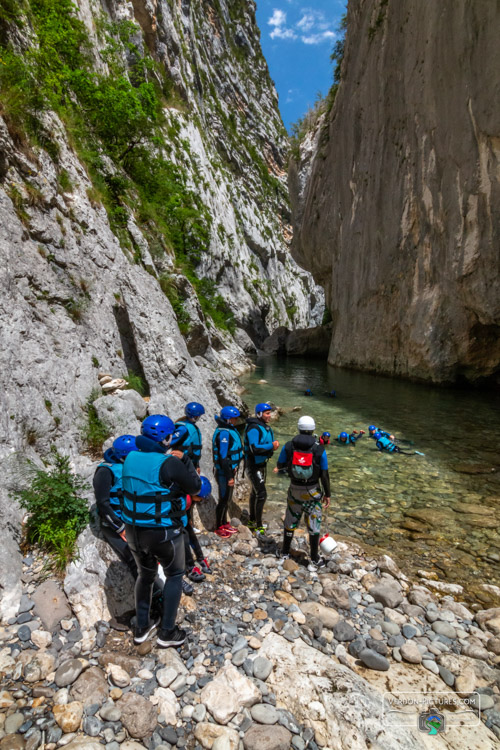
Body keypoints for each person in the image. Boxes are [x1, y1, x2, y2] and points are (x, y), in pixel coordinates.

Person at [121, 414, 201, 648]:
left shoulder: (129, 458)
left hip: (133, 530)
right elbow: (195, 487)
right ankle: (167, 632)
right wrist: (184, 459)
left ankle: (141, 627)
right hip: (163, 532)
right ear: (166, 438)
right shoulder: (169, 463)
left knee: (145, 575)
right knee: (175, 575)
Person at [274, 416, 331, 571]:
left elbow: (280, 465)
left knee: (291, 519)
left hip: (294, 489)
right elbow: (324, 474)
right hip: (313, 491)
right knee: (314, 524)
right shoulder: (319, 449)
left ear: (298, 428)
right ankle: (314, 558)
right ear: (313, 429)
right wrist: (328, 494)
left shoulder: (288, 446)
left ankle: (285, 552)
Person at [169, 402, 210, 582]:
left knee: (187, 519)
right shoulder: (183, 428)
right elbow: (172, 446)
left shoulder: (187, 426)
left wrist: (196, 466)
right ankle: (188, 565)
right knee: (184, 520)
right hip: (182, 472)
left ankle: (199, 557)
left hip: (189, 468)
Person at [93, 435, 139, 579]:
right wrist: (120, 528)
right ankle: (153, 597)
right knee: (133, 557)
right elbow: (103, 503)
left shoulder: (129, 465)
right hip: (115, 521)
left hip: (134, 518)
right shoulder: (105, 472)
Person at [244, 402, 279, 536]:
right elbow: (254, 448)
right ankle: (258, 526)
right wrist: (271, 445)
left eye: (270, 413)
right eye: (267, 413)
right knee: (262, 494)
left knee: (255, 492)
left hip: (261, 464)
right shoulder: (254, 428)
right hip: (253, 465)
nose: (270, 416)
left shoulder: (264, 427)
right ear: (259, 414)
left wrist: (273, 446)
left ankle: (252, 521)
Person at [212, 406, 244, 538]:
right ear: (228, 419)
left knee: (227, 499)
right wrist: (229, 476)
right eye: (234, 418)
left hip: (230, 470)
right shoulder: (224, 433)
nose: (236, 420)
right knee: (223, 499)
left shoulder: (229, 430)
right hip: (224, 472)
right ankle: (218, 527)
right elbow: (223, 457)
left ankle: (224, 523)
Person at [184, 476, 213, 582]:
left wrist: (189, 519)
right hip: (176, 521)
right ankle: (190, 568)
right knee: (184, 541)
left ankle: (200, 558)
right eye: (201, 498)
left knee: (192, 538)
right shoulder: (186, 499)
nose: (201, 500)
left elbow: (187, 511)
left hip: (183, 519)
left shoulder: (191, 498)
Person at [170, 402, 204, 469]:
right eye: (198, 416)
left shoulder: (192, 427)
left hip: (191, 463)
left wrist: (197, 465)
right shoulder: (183, 428)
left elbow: (195, 449)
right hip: (182, 464)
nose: (199, 417)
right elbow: (170, 442)